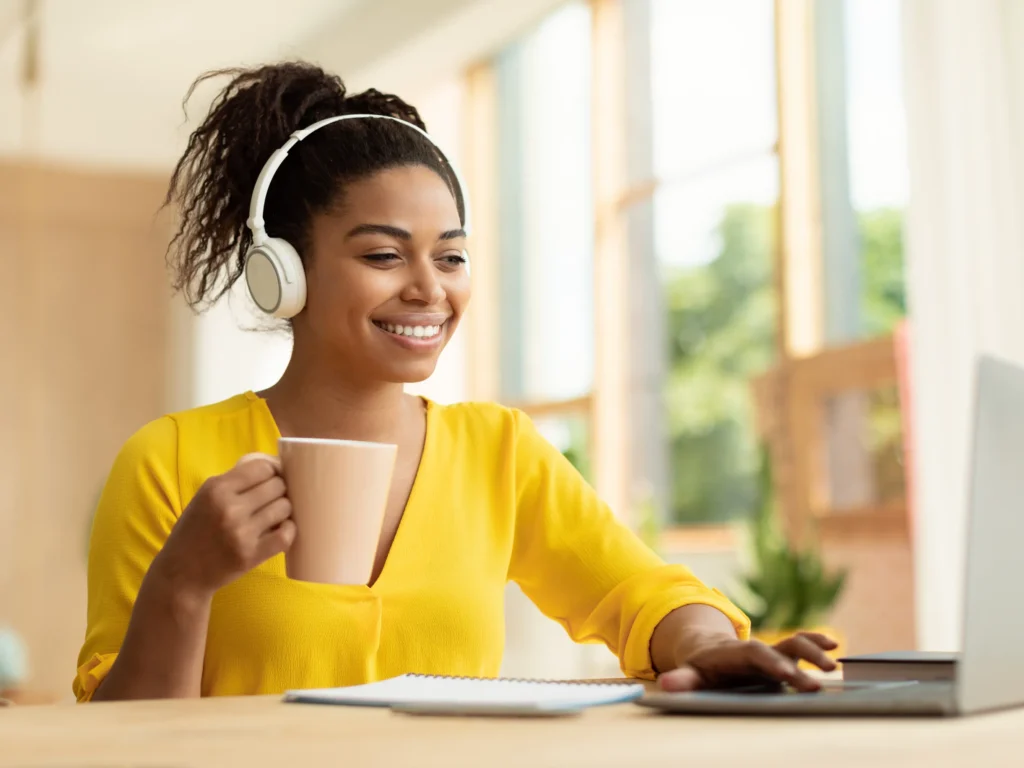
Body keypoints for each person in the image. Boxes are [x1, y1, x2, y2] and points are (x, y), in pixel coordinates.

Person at [75, 62, 836, 702]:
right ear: (286, 274)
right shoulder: (170, 459)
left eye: (451, 256)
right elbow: (113, 738)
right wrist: (182, 582)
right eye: (383, 255)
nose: (427, 289)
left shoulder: (496, 450)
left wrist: (702, 643)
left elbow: (637, 592)